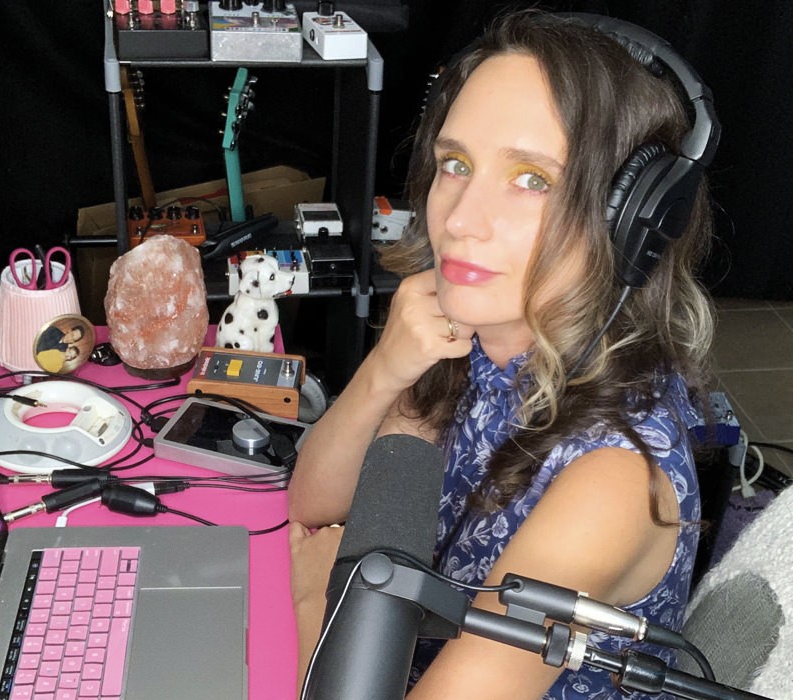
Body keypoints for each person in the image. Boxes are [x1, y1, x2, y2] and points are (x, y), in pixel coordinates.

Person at [287, 9, 716, 700]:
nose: (459, 220)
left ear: (633, 220)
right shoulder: (475, 342)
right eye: (455, 165)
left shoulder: (613, 483)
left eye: (531, 180)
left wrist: (314, 598)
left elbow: (315, 552)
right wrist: (386, 369)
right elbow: (315, 502)